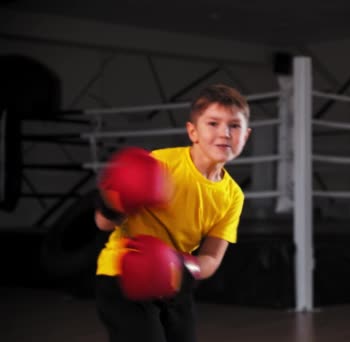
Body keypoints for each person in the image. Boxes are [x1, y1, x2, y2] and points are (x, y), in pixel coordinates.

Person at [94, 84, 251, 342]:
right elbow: (102, 223)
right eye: (213, 123)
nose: (224, 133)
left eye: (234, 126)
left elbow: (211, 256)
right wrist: (118, 201)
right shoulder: (160, 163)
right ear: (193, 131)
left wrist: (182, 267)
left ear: (246, 135)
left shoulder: (233, 195)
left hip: (174, 282)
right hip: (122, 275)